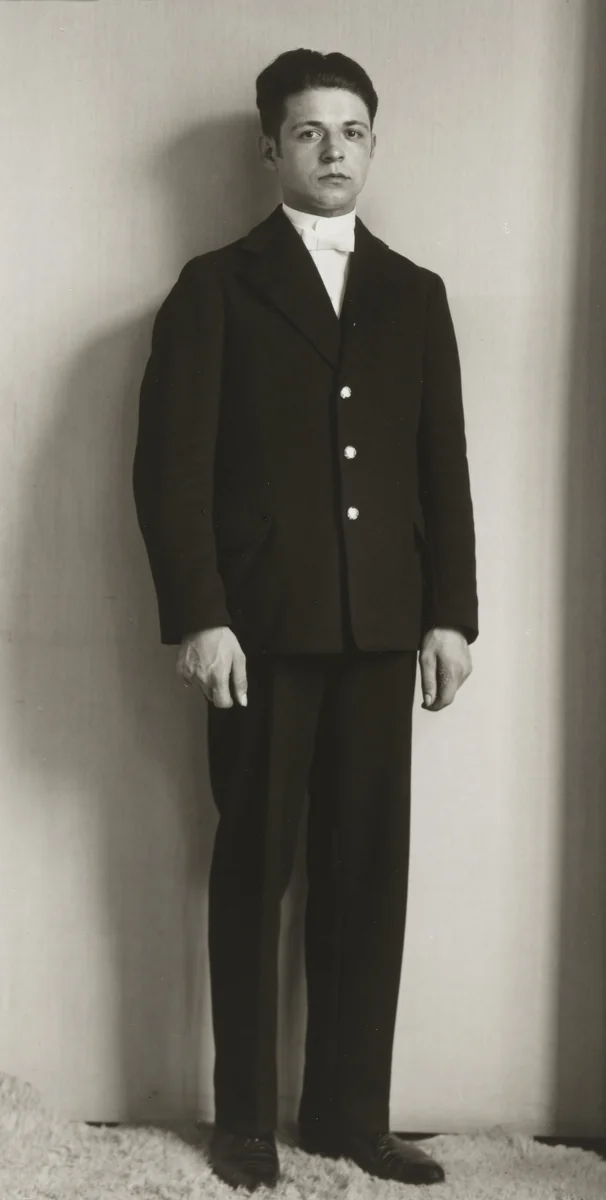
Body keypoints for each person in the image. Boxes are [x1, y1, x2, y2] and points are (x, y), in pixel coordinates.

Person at [132, 48, 478, 1192]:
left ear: (374, 145)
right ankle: (243, 1118)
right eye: (310, 131)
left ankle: (347, 1115)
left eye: (353, 131)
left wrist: (451, 616)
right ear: (269, 147)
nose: (334, 150)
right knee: (255, 869)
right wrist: (202, 615)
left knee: (369, 876)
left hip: (383, 631)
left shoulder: (416, 293)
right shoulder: (214, 287)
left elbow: (441, 469)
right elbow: (171, 471)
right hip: (262, 634)